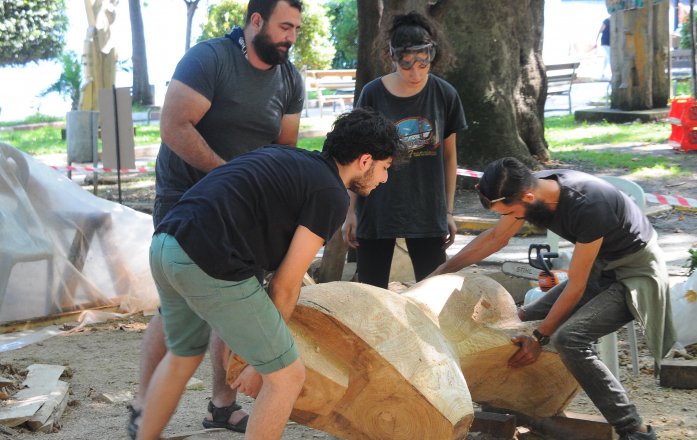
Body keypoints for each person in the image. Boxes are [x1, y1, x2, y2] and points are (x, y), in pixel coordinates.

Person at [137, 108, 407, 440]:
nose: (385, 179)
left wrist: (253, 355)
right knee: (287, 377)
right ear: (365, 161)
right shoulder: (331, 194)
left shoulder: (290, 159)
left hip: (167, 243)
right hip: (207, 257)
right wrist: (261, 364)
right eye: (385, 168)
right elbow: (285, 285)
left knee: (183, 354)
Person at [129, 0, 306, 435]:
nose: (291, 37)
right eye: (285, 26)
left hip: (243, 210)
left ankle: (221, 405)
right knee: (182, 305)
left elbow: (284, 149)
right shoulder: (208, 59)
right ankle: (141, 405)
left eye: (297, 29)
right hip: (185, 198)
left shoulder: (290, 79)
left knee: (234, 294)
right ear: (256, 21)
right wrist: (229, 175)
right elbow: (174, 126)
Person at [429, 157, 677, 440]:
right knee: (514, 319)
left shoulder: (588, 206)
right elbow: (495, 238)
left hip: (634, 273)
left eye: (510, 212)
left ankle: (634, 430)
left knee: (568, 339)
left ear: (529, 197)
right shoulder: (529, 188)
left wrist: (540, 338)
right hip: (602, 266)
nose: (510, 219)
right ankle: (511, 404)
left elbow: (577, 287)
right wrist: (441, 271)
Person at [341, 12, 467, 288]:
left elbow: (449, 156)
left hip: (427, 209)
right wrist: (350, 213)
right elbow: (356, 154)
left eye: (424, 63)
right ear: (392, 57)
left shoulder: (445, 94)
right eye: (407, 64)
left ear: (433, 54)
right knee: (370, 295)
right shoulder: (373, 93)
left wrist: (448, 211)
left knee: (435, 292)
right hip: (377, 209)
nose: (416, 72)